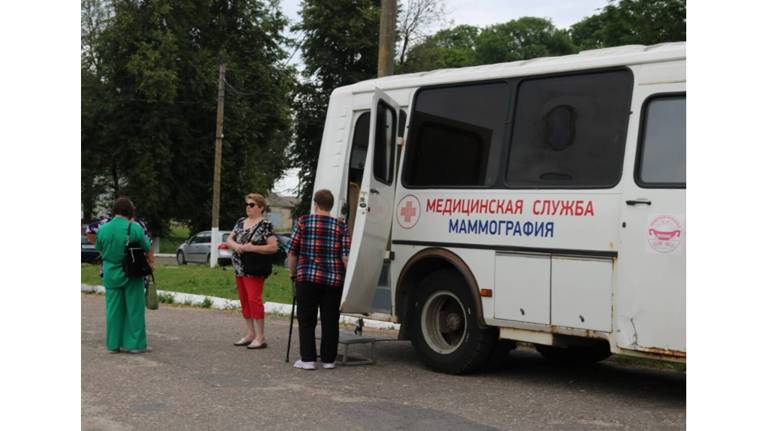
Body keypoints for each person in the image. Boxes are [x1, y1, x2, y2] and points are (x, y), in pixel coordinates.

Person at [287, 189, 351, 370]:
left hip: (307, 277)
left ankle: (308, 359)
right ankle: (328, 360)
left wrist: (292, 272)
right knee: (330, 320)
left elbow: (292, 251)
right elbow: (346, 257)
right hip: (334, 280)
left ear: (315, 204)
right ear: (331, 206)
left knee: (306, 319)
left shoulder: (303, 222)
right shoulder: (341, 226)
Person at [95, 197, 153, 354]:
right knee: (135, 309)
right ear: (130, 211)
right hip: (132, 273)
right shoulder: (134, 228)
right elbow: (147, 246)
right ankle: (135, 345)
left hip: (111, 274)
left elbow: (99, 249)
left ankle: (113, 344)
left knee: (113, 310)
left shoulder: (103, 229)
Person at [225, 193, 278, 349]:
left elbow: (273, 247)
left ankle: (261, 337)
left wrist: (252, 248)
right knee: (245, 300)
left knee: (254, 300)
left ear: (261, 207)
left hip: (254, 269)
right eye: (247, 204)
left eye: (252, 205)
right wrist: (237, 247)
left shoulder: (265, 224)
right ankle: (250, 333)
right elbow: (229, 239)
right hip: (239, 268)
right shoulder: (241, 222)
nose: (248, 207)